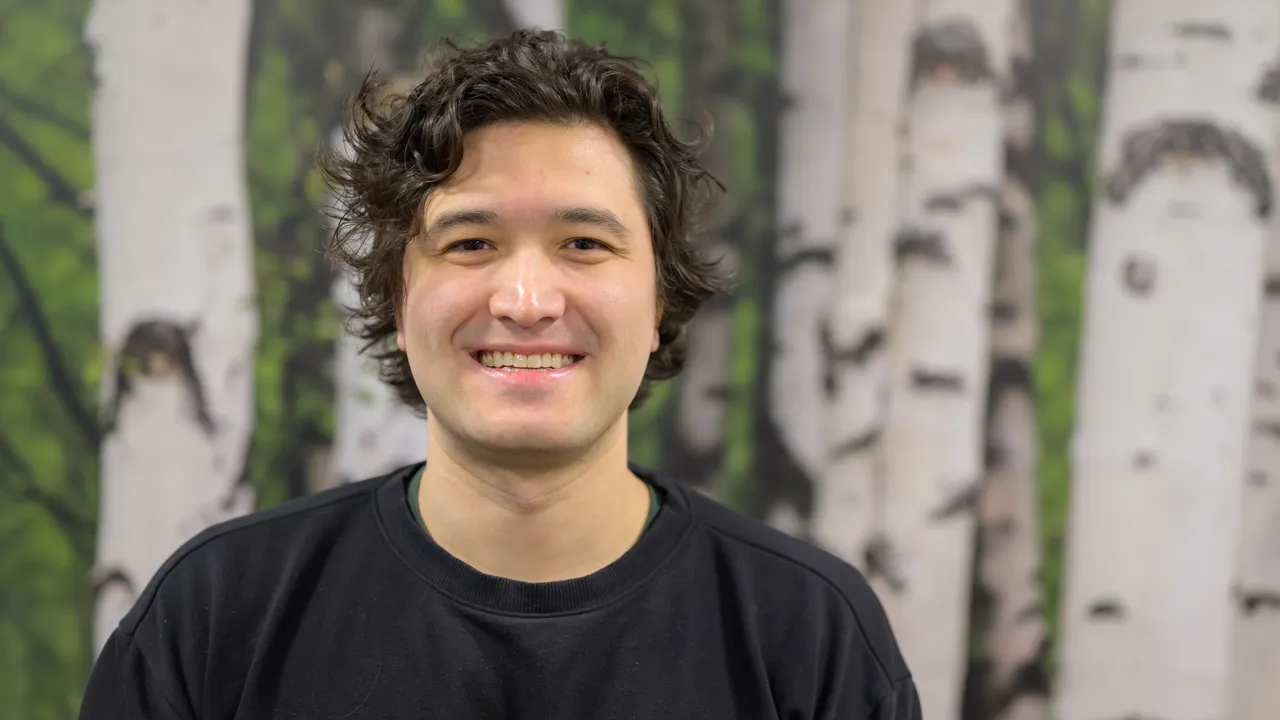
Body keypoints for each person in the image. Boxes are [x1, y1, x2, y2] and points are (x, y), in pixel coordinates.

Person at [79, 29, 920, 719]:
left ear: (658, 298)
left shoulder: (807, 635)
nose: (525, 300)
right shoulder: (220, 614)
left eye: (584, 244)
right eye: (470, 243)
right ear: (399, 301)